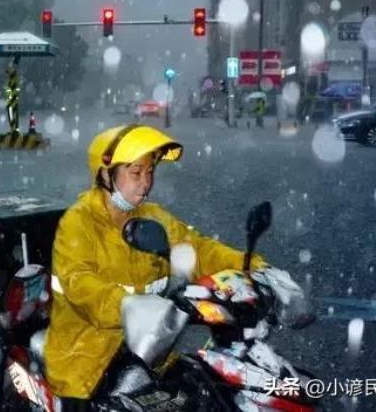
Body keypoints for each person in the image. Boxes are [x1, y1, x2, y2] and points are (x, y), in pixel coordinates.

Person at [43, 124, 296, 409]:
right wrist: (128, 306)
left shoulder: (150, 216)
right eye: (135, 173)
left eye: (150, 172)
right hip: (86, 361)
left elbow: (197, 249)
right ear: (105, 175)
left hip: (149, 351)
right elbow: (80, 284)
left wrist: (257, 270)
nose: (146, 182)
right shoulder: (78, 223)